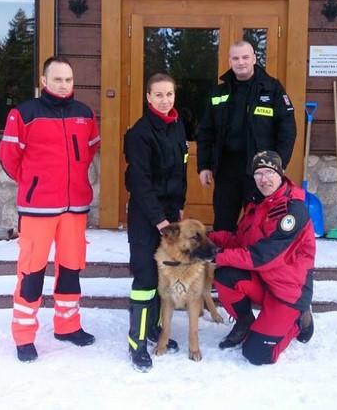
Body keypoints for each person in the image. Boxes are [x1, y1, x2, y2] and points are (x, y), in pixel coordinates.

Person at [0, 55, 100, 362]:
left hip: (75, 208)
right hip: (38, 209)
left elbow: (90, 149)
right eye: (57, 79)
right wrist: (34, 183)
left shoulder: (85, 114)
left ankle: (68, 325)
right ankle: (24, 335)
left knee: (71, 269)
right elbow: (8, 157)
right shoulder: (24, 113)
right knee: (31, 272)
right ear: (44, 81)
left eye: (68, 79)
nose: (63, 84)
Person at [210, 150, 316, 365]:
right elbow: (240, 241)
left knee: (257, 354)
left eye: (269, 172)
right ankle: (245, 321)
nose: (263, 179)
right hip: (264, 282)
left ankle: (298, 321)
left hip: (288, 292)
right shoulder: (257, 205)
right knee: (225, 275)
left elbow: (263, 257)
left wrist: (216, 255)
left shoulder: (293, 211)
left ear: (281, 173)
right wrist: (205, 238)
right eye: (258, 173)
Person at [123, 73, 188, 372]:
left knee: (164, 277)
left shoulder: (177, 126)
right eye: (158, 95)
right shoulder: (139, 133)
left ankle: (154, 330)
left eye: (169, 94)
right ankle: (137, 342)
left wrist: (179, 210)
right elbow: (139, 182)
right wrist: (159, 220)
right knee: (146, 277)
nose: (165, 100)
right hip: (145, 217)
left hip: (170, 216)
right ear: (148, 97)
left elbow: (180, 175)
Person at [197, 40, 296, 232]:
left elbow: (287, 129)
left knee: (259, 222)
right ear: (229, 61)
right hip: (226, 168)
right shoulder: (219, 92)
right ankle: (224, 260)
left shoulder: (272, 89)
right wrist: (204, 165)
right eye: (236, 58)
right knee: (223, 222)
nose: (240, 62)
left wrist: (278, 165)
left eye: (245, 57)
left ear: (254, 59)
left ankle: (255, 261)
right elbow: (205, 131)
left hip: (260, 169)